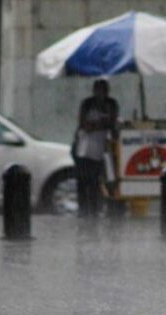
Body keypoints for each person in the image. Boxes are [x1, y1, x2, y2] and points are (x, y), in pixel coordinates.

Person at [74, 79, 118, 218]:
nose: (100, 93)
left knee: (96, 179)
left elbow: (111, 122)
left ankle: (95, 207)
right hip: (84, 146)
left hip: (102, 146)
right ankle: (83, 208)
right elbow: (83, 123)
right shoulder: (87, 103)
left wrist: (96, 125)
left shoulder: (111, 103)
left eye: (103, 90)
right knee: (82, 179)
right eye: (97, 90)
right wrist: (98, 124)